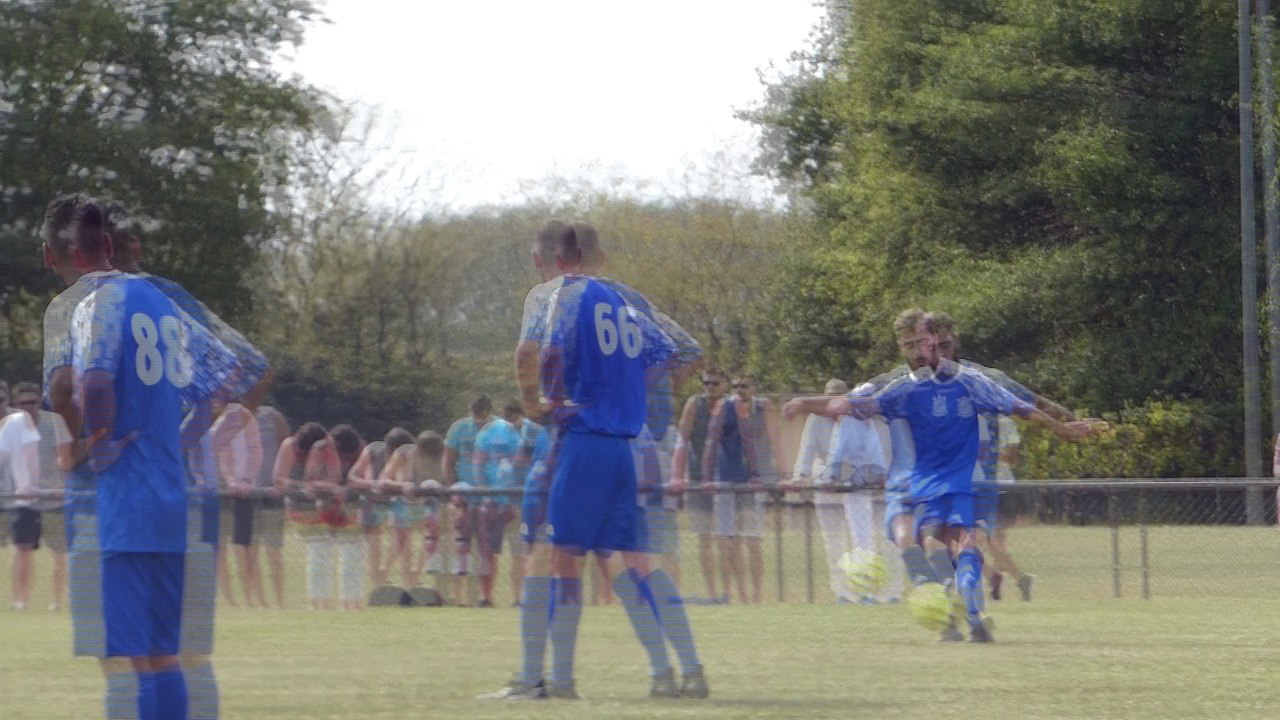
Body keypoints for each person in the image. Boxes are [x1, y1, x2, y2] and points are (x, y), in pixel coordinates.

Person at [822, 309, 1101, 642]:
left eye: (942, 343)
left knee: (951, 545)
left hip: (972, 474)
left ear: (953, 343)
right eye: (928, 343)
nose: (935, 350)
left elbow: (1032, 403)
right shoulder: (899, 380)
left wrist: (1071, 423)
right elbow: (855, 400)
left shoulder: (982, 377)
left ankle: (956, 614)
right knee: (942, 545)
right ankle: (965, 614)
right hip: (929, 477)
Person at [65, 199, 240, 719]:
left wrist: (99, 441)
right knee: (167, 655)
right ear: (120, 247)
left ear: (82, 254)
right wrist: (179, 445)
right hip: (171, 497)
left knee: (133, 660)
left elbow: (95, 380)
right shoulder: (166, 304)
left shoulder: (95, 304)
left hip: (126, 500)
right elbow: (222, 384)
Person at [518, 222, 704, 698]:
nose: (537, 271)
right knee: (635, 561)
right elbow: (685, 350)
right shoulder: (627, 299)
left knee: (563, 558)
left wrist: (536, 404)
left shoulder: (556, 294)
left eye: (539, 262)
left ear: (558, 259)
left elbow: (531, 353)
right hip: (626, 446)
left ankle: (559, 680)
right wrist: (629, 390)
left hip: (583, 442)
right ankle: (681, 670)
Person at [8, 381, 74, 612]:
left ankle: (56, 601)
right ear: (15, 405)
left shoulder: (55, 423)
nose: (28, 407)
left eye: (32, 402)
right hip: (24, 497)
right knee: (22, 549)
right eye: (23, 403)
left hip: (54, 496)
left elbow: (64, 460)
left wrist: (58, 479)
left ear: (39, 402)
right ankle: (21, 600)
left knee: (59, 552)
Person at [673, 367, 728, 602]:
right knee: (705, 538)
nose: (710, 388)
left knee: (726, 538)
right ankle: (712, 593)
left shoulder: (732, 406)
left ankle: (728, 592)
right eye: (706, 383)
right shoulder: (694, 404)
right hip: (697, 478)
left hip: (726, 479)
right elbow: (682, 440)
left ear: (724, 384)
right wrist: (679, 475)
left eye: (714, 383)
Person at [210, 401, 265, 607]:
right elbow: (224, 458)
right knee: (221, 548)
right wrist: (232, 481)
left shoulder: (247, 420)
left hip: (246, 494)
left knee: (247, 548)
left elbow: (256, 452)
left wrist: (247, 480)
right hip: (223, 493)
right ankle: (228, 599)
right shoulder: (219, 423)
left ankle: (250, 596)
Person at [274, 421, 333, 610]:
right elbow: (278, 479)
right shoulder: (290, 446)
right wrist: (302, 487)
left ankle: (323, 599)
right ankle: (316, 601)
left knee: (324, 552)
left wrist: (322, 486)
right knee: (317, 550)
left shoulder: (327, 446)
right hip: (299, 503)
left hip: (323, 501)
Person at [473, 400, 526, 607]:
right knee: (502, 552)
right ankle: (498, 597)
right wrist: (488, 496)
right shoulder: (515, 434)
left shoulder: (488, 433)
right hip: (503, 501)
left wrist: (486, 496)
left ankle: (495, 597)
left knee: (511, 552)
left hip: (507, 501)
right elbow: (480, 465)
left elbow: (479, 466)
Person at [350, 428, 414, 589]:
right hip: (372, 500)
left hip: (395, 500)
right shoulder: (372, 451)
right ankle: (376, 585)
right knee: (373, 543)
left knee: (403, 538)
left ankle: (396, 577)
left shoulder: (409, 456)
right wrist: (372, 484)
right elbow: (352, 478)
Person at [254, 406, 289, 608]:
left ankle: (280, 599)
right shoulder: (230, 417)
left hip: (272, 495)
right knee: (251, 553)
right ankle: (257, 600)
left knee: (274, 550)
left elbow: (286, 445)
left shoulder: (272, 415)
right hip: (246, 495)